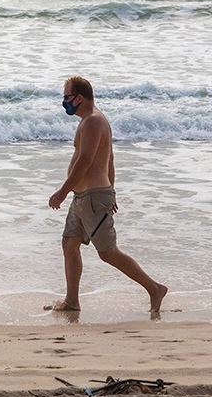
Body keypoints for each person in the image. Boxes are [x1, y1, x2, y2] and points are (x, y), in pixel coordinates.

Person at [48, 76, 167, 314]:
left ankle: (155, 289)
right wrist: (111, 189)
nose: (64, 102)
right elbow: (109, 159)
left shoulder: (93, 121)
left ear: (79, 98)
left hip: (93, 198)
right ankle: (72, 301)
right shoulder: (90, 121)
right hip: (84, 198)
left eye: (66, 97)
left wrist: (62, 192)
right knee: (69, 244)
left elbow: (85, 161)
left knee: (108, 253)